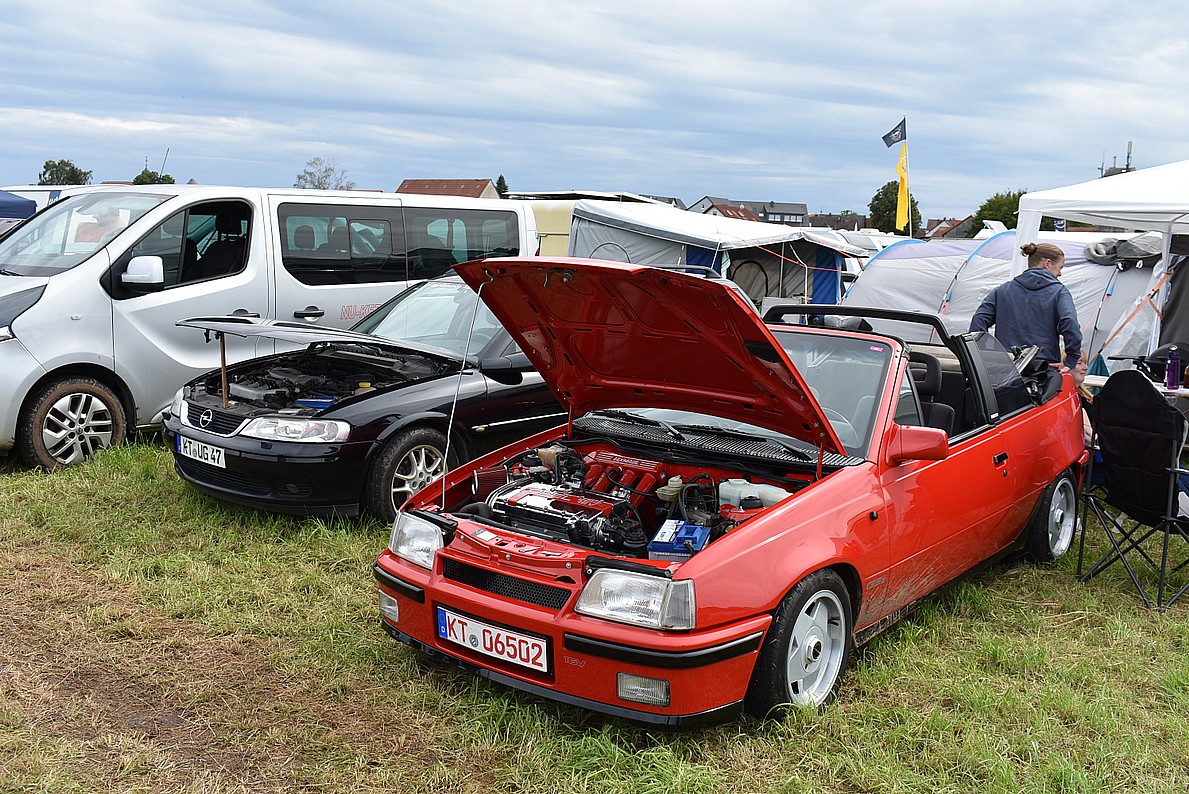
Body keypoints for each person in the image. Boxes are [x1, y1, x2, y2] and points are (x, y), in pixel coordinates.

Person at [970, 241, 1084, 385]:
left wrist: (986, 355)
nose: (1060, 273)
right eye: (1060, 267)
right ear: (1048, 263)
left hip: (1006, 368)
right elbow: (1069, 322)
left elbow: (978, 321)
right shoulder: (1059, 292)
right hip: (1043, 371)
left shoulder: (1002, 291)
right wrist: (1071, 360)